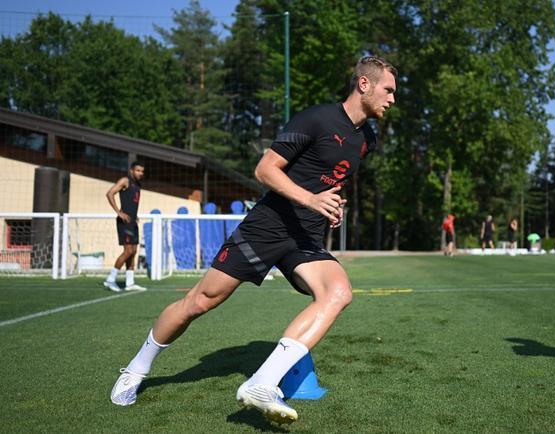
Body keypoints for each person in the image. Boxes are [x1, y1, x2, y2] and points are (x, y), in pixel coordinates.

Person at [109, 56, 398, 424]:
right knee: (199, 301)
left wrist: (332, 205)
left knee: (338, 292)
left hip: (305, 237)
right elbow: (264, 169)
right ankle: (136, 368)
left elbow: (328, 180)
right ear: (363, 84)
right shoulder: (317, 118)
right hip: (268, 227)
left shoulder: (367, 139)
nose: (392, 98)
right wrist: (310, 199)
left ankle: (262, 382)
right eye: (388, 89)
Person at [103, 161, 147, 292]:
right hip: (124, 222)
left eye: (142, 171)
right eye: (138, 170)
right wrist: (119, 212)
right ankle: (110, 279)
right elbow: (109, 193)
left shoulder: (137, 184)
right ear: (131, 170)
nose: (140, 173)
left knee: (133, 252)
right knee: (128, 251)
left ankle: (130, 283)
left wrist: (135, 215)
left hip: (132, 221)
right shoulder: (125, 181)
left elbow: (131, 203)